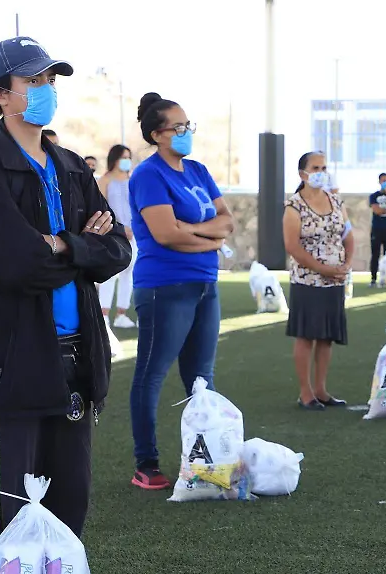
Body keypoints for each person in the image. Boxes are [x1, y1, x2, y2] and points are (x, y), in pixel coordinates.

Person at [0, 36, 130, 534]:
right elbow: (15, 263)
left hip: (76, 356)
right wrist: (81, 250)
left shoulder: (71, 165)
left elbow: (118, 248)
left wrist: (62, 245)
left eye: (50, 80)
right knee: (10, 510)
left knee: (69, 502)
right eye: (33, 80)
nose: (46, 89)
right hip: (14, 358)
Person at [128, 92, 232, 490]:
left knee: (202, 378)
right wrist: (206, 240)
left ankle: (207, 460)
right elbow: (165, 234)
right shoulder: (148, 175)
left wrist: (193, 233)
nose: (187, 132)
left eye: (189, 125)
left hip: (205, 284)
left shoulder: (198, 170)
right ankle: (147, 464)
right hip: (165, 287)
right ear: (158, 134)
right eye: (179, 127)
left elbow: (227, 222)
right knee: (151, 376)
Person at [283, 152, 350, 410]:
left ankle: (321, 390)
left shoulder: (336, 200)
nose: (321, 171)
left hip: (334, 280)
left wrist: (346, 263)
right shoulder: (294, 206)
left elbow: (348, 234)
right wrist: (323, 269)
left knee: (326, 337)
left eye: (324, 166)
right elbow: (292, 246)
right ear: (303, 174)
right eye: (315, 167)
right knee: (306, 335)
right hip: (307, 280)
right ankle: (306, 393)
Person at [97, 144, 137, 329]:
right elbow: (101, 206)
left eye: (129, 157)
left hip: (134, 233)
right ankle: (103, 314)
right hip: (113, 233)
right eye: (123, 157)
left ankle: (122, 314)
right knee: (110, 273)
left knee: (128, 274)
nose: (127, 161)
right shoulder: (105, 180)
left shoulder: (133, 180)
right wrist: (119, 229)